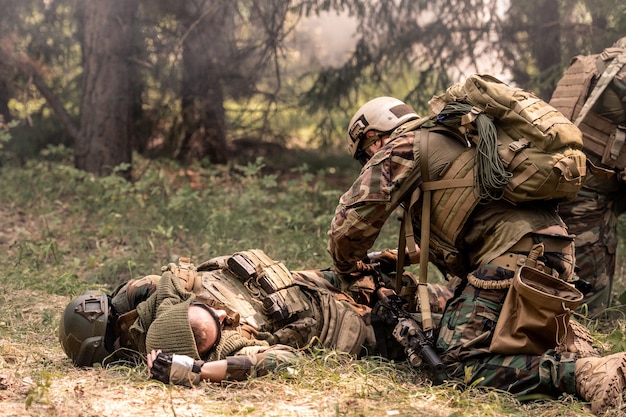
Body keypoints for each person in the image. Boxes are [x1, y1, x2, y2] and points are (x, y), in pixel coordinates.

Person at [328, 95, 626, 415]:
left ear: (373, 138)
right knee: (464, 320)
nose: (369, 160)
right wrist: (396, 258)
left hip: (512, 259)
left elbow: (350, 225)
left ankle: (585, 373)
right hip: (553, 256)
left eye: (365, 153)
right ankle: (566, 344)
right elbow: (466, 225)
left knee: (456, 363)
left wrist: (349, 267)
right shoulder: (457, 139)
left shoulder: (403, 146)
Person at [59, 249, 453, 385]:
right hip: (347, 319)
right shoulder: (196, 338)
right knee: (456, 310)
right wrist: (196, 369)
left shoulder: (162, 300)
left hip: (308, 284)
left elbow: (168, 279)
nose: (124, 298)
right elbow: (282, 362)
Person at [550, 36, 626, 316]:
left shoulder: (589, 64)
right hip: (586, 201)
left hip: (556, 182)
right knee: (588, 309)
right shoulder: (621, 74)